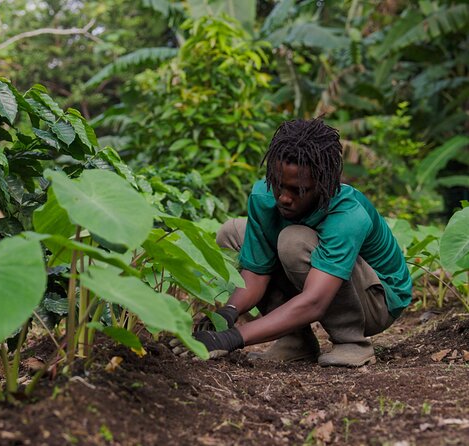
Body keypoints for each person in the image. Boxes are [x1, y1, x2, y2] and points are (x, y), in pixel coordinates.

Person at [177, 118, 412, 367]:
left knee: (293, 241)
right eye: (278, 185)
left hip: (377, 301)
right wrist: (228, 314)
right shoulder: (264, 197)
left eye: (298, 190)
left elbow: (315, 301)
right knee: (233, 232)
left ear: (323, 186)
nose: (284, 198)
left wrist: (231, 339)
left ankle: (351, 342)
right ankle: (295, 340)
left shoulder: (347, 215)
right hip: (322, 282)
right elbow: (256, 275)